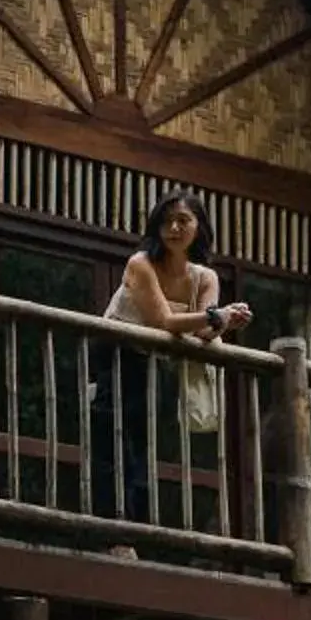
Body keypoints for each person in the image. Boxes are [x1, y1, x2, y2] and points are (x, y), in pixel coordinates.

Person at [94, 190, 251, 528]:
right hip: (119, 351)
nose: (174, 228)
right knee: (116, 437)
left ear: (199, 227)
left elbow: (203, 334)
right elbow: (163, 321)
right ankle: (114, 527)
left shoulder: (204, 278)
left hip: (159, 361)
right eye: (167, 221)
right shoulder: (140, 264)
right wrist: (214, 317)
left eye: (183, 220)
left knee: (147, 442)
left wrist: (224, 322)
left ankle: (137, 527)